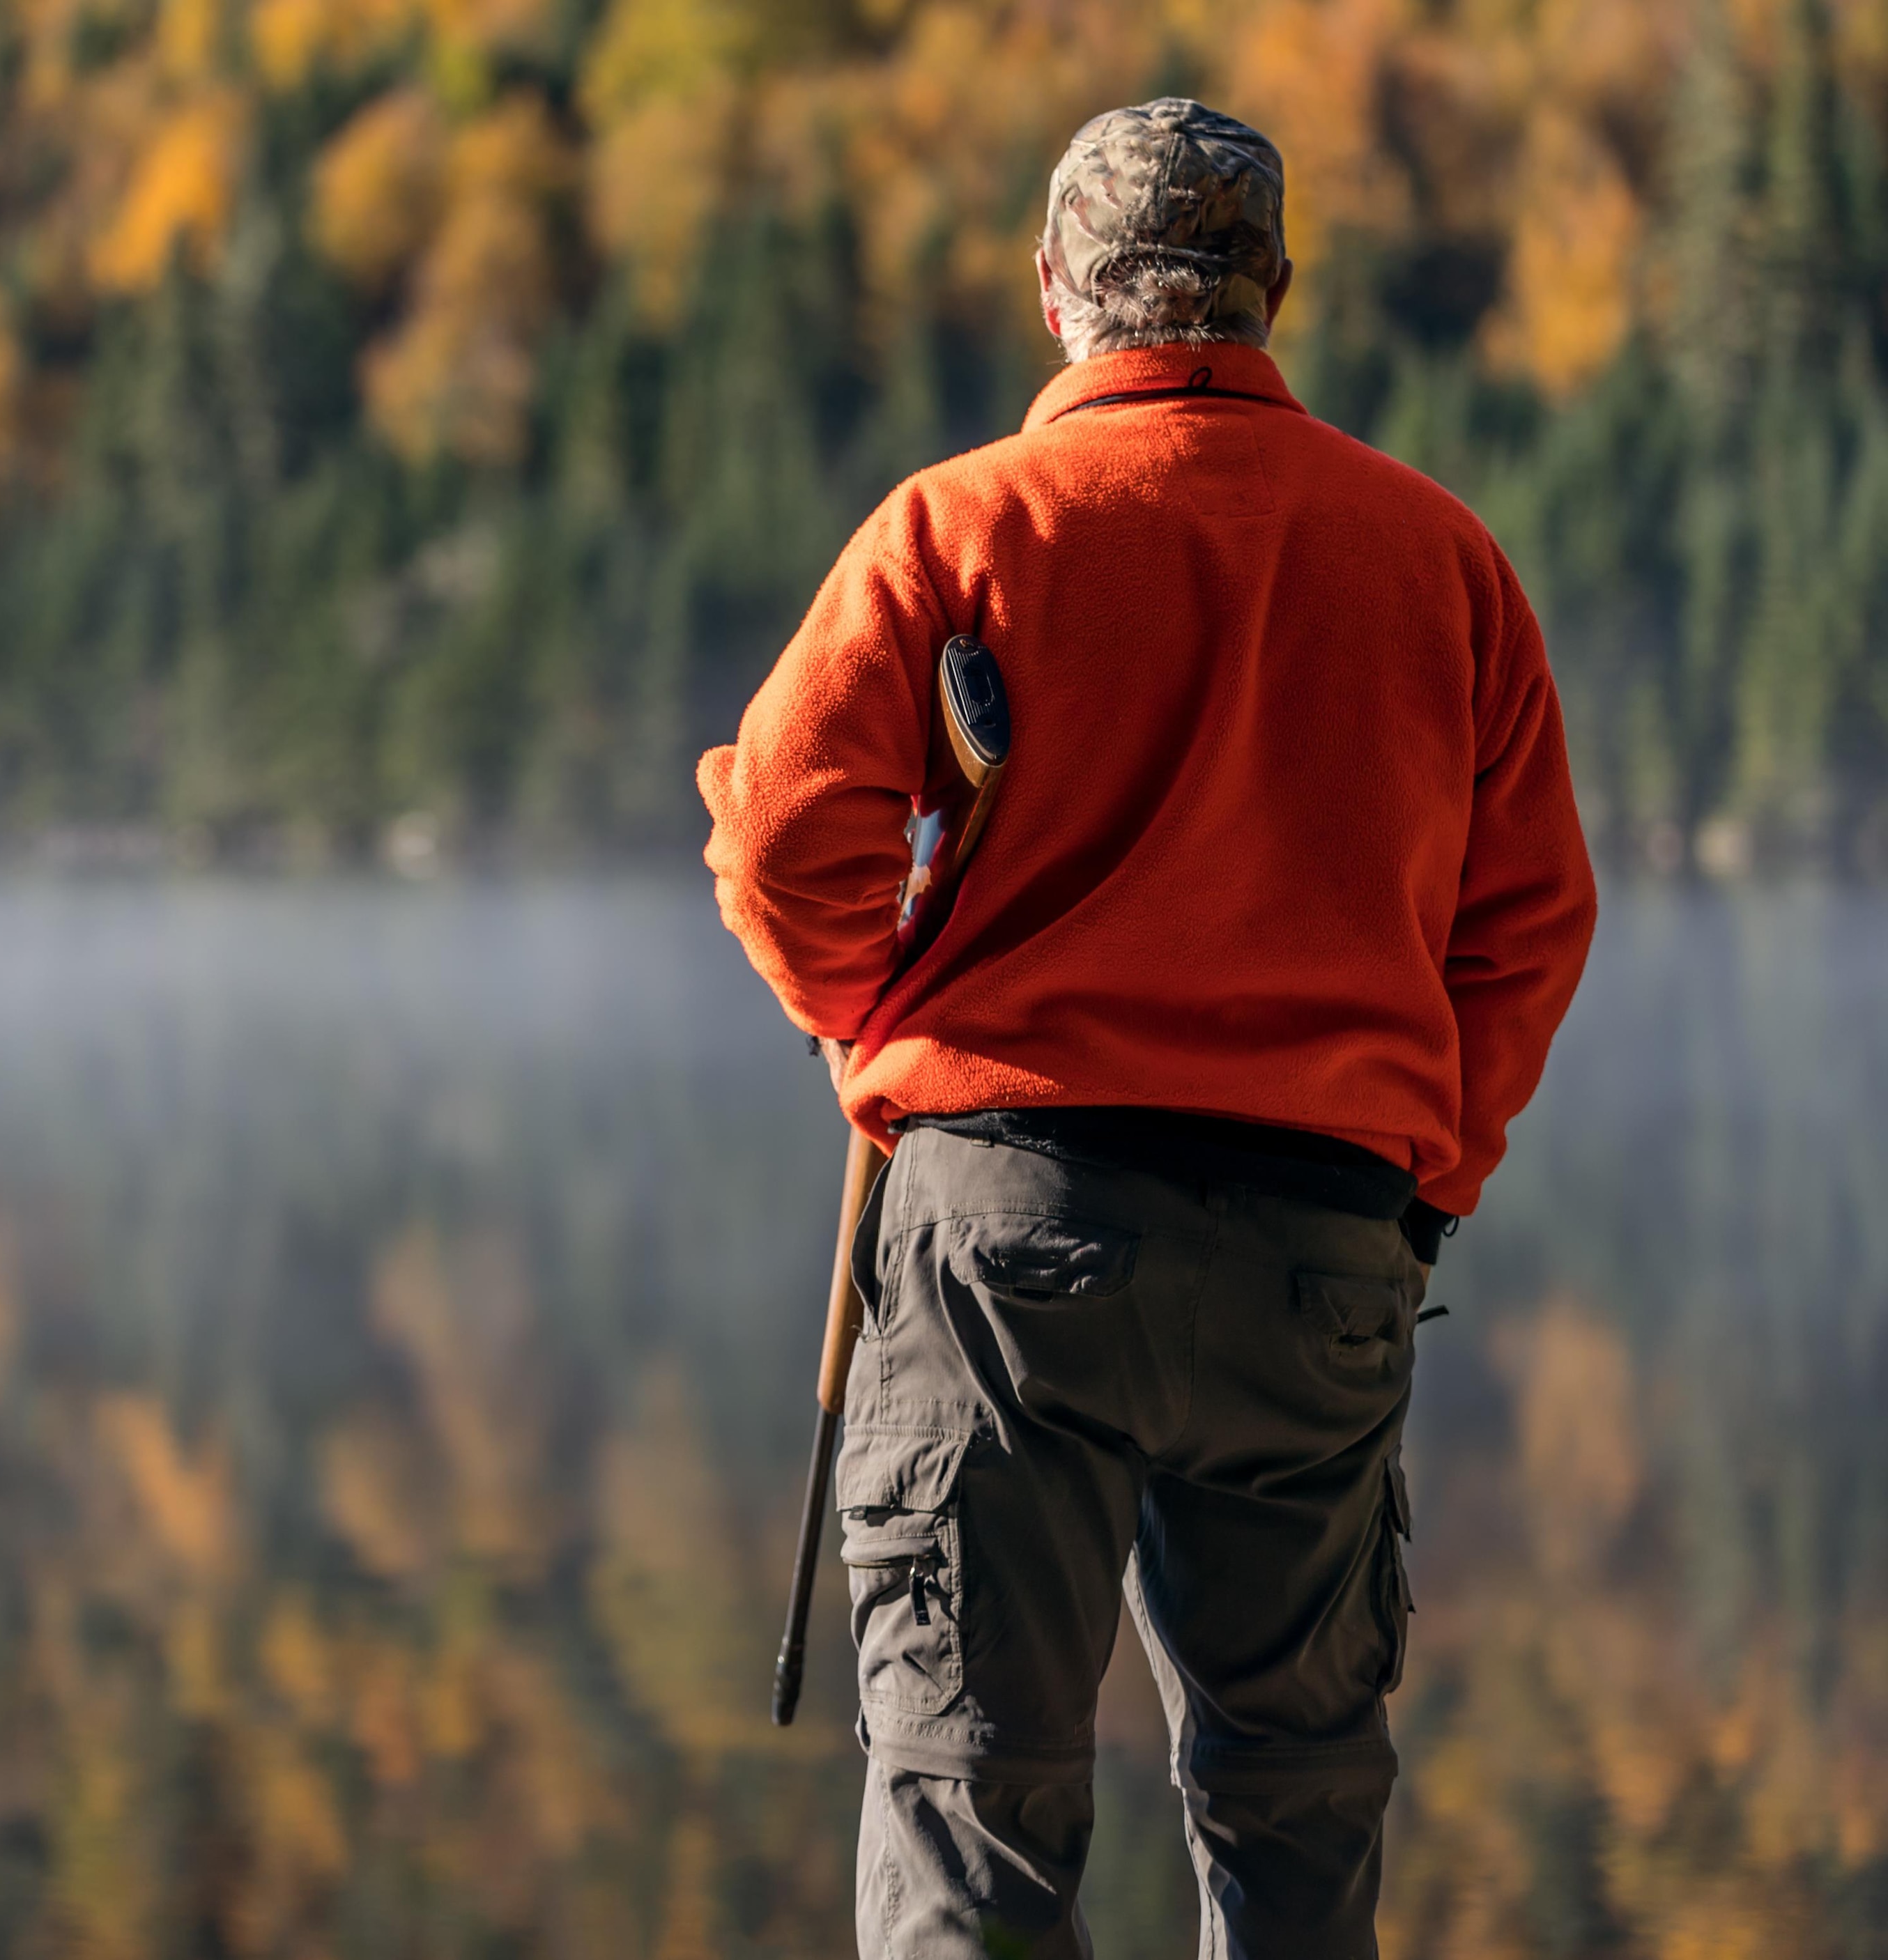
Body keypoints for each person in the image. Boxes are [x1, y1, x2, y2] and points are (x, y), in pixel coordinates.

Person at [696, 99, 1599, 1958]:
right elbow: (1529, 926)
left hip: (1007, 1233)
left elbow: (787, 828)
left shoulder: (960, 526)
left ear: (1056, 294)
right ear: (1272, 289)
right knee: (1294, 1812)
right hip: (1323, 1252)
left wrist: (869, 1027)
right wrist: (1428, 1178)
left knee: (973, 1812)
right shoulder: (1444, 563)